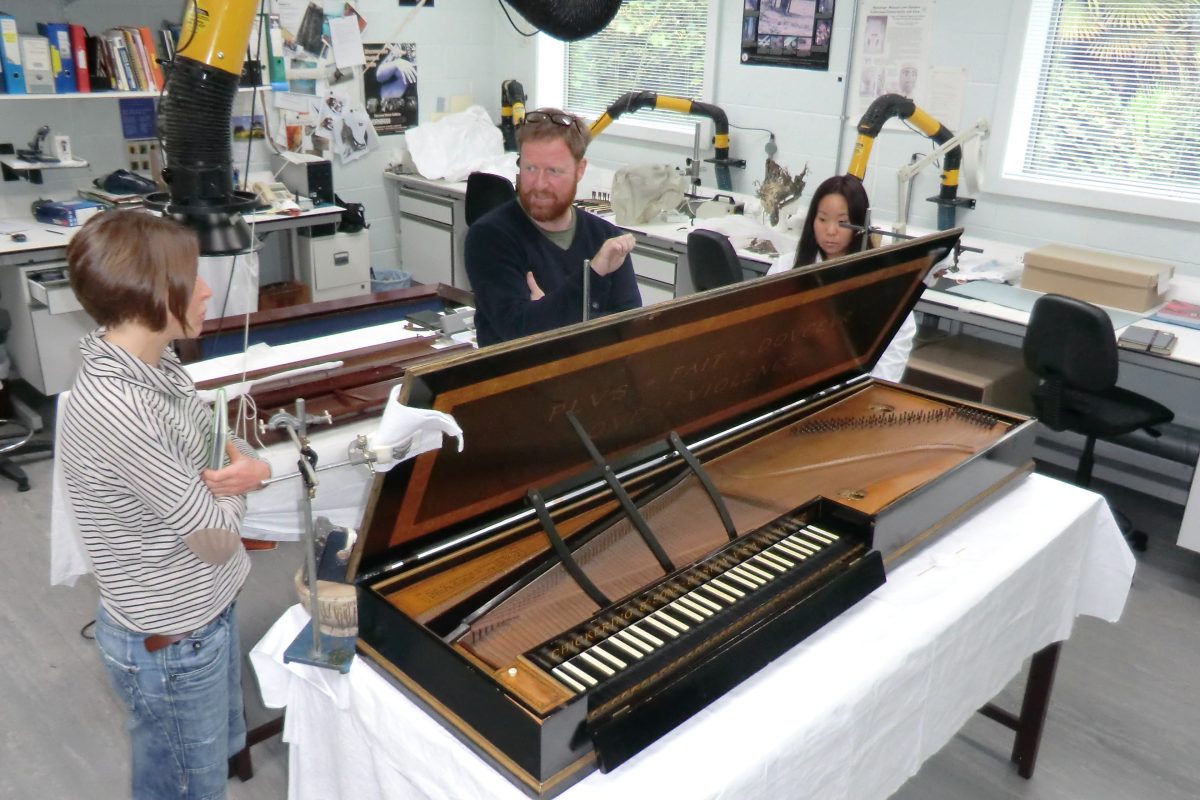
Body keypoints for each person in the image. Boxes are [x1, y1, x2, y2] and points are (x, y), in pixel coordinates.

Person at [57, 211, 271, 799]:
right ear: (152, 294)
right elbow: (216, 536)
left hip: (202, 609)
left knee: (183, 772)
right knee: (185, 788)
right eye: (193, 277)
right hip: (174, 639)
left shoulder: (156, 366)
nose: (206, 289)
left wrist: (244, 470)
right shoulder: (122, 409)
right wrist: (246, 481)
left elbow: (215, 443)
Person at [465, 107, 642, 347]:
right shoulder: (489, 238)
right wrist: (595, 274)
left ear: (580, 170)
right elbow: (519, 334)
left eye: (553, 171)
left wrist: (547, 313)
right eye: (530, 168)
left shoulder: (606, 238)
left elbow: (630, 333)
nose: (539, 184)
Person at [772, 174, 917, 382]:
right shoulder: (785, 268)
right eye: (822, 219)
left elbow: (897, 342)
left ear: (859, 226)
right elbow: (768, 338)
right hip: (790, 387)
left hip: (852, 394)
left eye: (842, 222)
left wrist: (868, 392)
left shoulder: (882, 281)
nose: (830, 231)